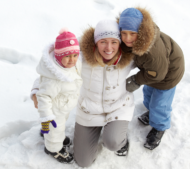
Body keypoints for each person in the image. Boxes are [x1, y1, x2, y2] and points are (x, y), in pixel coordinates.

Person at [31, 19, 135, 167]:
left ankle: (120, 140)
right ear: (95, 42)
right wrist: (36, 90)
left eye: (114, 42)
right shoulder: (80, 55)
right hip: (89, 111)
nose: (109, 48)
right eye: (103, 41)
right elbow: (53, 70)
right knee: (83, 162)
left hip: (117, 107)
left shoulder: (128, 55)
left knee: (113, 142)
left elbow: (155, 59)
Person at [118, 7, 185, 150]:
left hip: (168, 74)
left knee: (160, 103)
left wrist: (136, 80)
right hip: (153, 70)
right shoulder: (136, 41)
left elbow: (158, 73)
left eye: (132, 33)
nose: (127, 38)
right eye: (123, 33)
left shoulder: (152, 52)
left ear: (141, 32)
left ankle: (159, 126)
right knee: (148, 93)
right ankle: (151, 112)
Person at [32, 28, 82, 164]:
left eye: (75, 55)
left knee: (59, 127)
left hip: (64, 106)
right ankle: (53, 148)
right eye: (67, 56)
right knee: (56, 128)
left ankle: (49, 134)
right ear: (59, 56)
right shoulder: (54, 78)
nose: (72, 60)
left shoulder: (74, 64)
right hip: (54, 111)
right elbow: (43, 96)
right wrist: (47, 117)